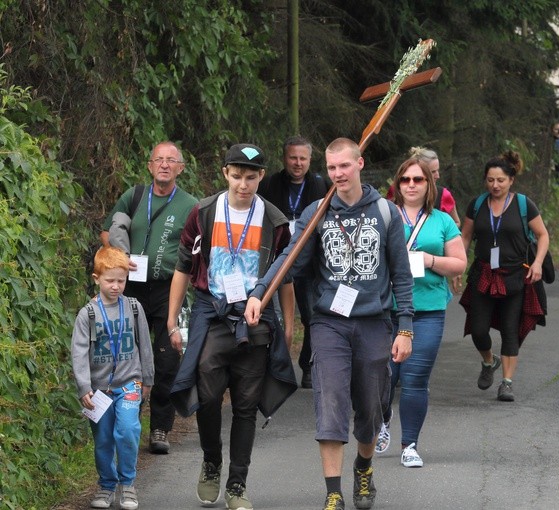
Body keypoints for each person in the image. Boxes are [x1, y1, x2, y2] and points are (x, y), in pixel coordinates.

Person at [244, 138, 414, 510]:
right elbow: (289, 258)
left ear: (360, 164)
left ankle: (364, 466)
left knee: (371, 408)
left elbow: (402, 276)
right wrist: (260, 292)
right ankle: (333, 491)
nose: (337, 174)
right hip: (329, 323)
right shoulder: (315, 213)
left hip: (374, 323)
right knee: (331, 400)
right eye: (332, 168)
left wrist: (405, 328)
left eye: (344, 166)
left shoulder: (386, 213)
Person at [165, 143, 297, 510]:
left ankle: (237, 484)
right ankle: (211, 462)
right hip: (212, 312)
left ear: (260, 177)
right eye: (237, 176)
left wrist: (288, 324)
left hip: (255, 318)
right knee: (206, 396)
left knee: (245, 404)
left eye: (251, 177)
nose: (243, 184)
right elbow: (182, 267)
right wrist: (173, 320)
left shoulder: (274, 220)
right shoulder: (203, 212)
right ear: (225, 173)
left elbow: (284, 277)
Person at [100, 141, 197, 454]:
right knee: (126, 356)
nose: (165, 165)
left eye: (171, 160)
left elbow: (199, 247)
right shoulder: (135, 195)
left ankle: (160, 428)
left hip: (170, 290)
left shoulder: (191, 205)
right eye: (159, 159)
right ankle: (126, 420)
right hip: (131, 290)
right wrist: (119, 254)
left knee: (167, 359)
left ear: (181, 168)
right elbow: (107, 232)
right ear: (150, 165)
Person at [374, 156, 466, 468]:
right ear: (397, 185)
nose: (411, 185)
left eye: (418, 179)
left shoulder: (442, 221)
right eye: (406, 180)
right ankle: (381, 422)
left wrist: (430, 260)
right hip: (387, 309)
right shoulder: (383, 215)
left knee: (414, 378)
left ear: (429, 184)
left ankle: (410, 444)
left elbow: (459, 263)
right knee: (385, 375)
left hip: (427, 310)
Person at [459, 150, 550, 402]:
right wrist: (458, 265)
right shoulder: (477, 205)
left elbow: (542, 235)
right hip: (484, 274)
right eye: (490, 180)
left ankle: (507, 383)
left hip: (515, 277)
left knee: (510, 330)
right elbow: (465, 237)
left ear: (511, 180)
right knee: (478, 329)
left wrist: (538, 263)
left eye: (500, 180)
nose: (495, 185)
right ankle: (489, 362)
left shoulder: (523, 205)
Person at [71, 247, 154, 510]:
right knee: (104, 438)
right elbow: (79, 352)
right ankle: (107, 485)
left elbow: (145, 345)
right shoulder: (88, 314)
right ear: (96, 278)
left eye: (121, 280)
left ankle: (127, 484)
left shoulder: (134, 307)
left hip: (130, 381)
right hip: (98, 390)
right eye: (110, 280)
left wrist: (148, 378)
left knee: (128, 430)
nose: (116, 286)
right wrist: (84, 385)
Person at [259, 135, 330, 389]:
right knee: (272, 314)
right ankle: (274, 364)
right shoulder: (268, 184)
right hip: (277, 260)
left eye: (303, 158)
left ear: (310, 160)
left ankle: (308, 365)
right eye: (293, 158)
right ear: (284, 158)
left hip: (310, 263)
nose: (298, 163)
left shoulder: (323, 185)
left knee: (312, 314)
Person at [386, 147, 461, 227]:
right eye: (433, 172)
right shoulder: (395, 189)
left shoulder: (443, 194)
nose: (438, 176)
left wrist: (439, 234)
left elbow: (456, 223)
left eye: (437, 170)